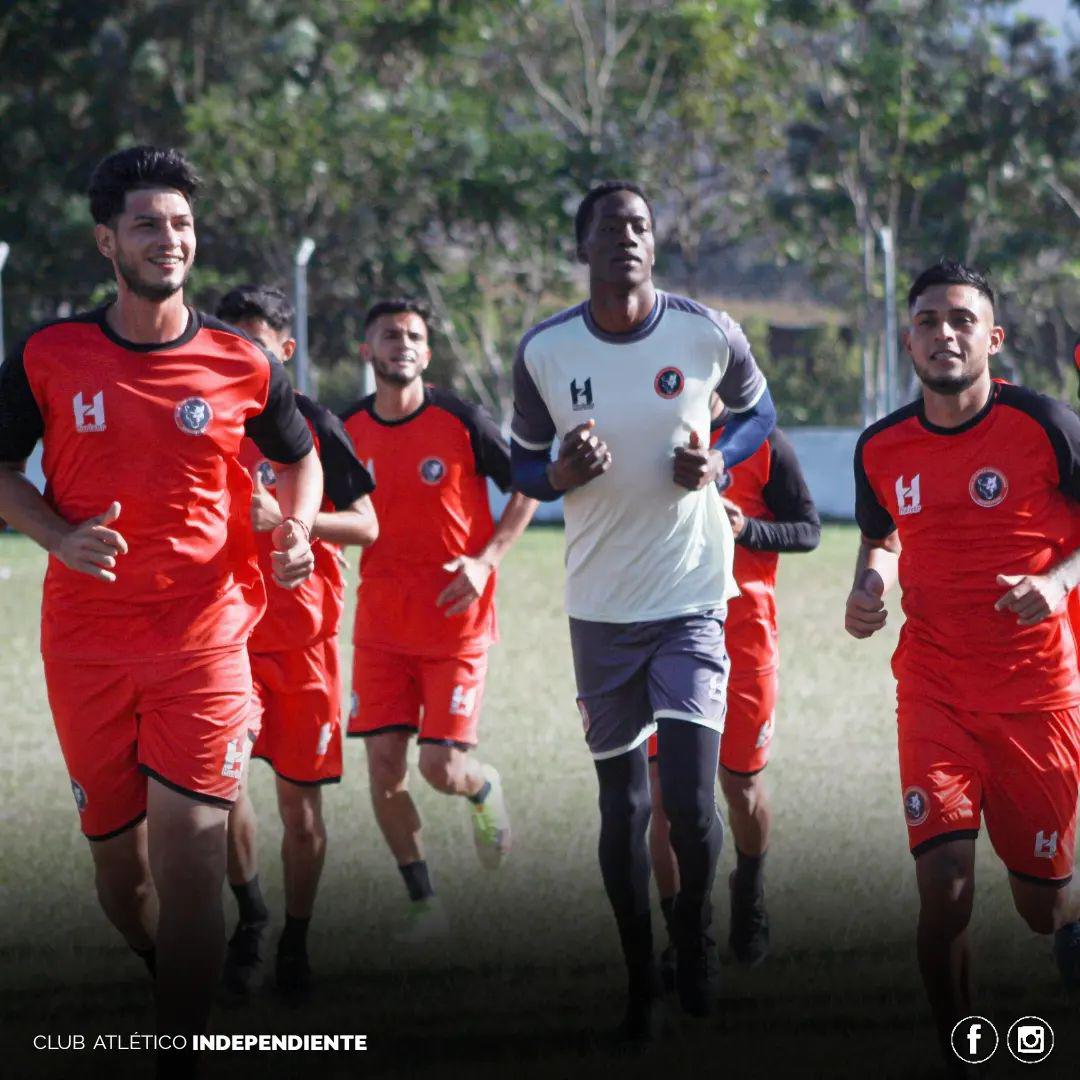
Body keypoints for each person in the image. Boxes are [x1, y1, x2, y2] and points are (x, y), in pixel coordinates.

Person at [0, 147, 322, 1067]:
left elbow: (299, 455)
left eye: (180, 223)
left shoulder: (242, 362)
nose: (168, 239)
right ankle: (166, 975)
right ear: (108, 241)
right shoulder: (47, 356)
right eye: (147, 223)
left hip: (206, 641)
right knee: (121, 876)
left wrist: (293, 531)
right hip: (87, 647)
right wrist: (56, 536)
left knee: (191, 856)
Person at [510, 180, 776, 1037]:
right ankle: (639, 982)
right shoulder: (544, 351)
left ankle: (693, 932)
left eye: (641, 226)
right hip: (599, 610)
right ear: (581, 247)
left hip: (693, 595)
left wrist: (720, 460)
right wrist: (556, 476)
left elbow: (758, 410)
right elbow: (518, 466)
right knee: (622, 809)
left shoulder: (705, 331)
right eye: (610, 227)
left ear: (654, 245)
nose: (628, 237)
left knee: (692, 809)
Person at [846, 260, 1080, 1067]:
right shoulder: (880, 446)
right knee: (944, 890)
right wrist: (867, 586)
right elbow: (879, 536)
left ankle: (1067, 928)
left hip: (1036, 694)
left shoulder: (1047, 424)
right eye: (928, 321)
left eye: (961, 320)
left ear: (993, 337)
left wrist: (1055, 583)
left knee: (1041, 904)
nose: (944, 334)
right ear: (907, 336)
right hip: (934, 689)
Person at [341, 298, 537, 940]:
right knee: (383, 771)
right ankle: (424, 903)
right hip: (379, 629)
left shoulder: (460, 419)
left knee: (440, 770)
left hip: (457, 623)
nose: (402, 343)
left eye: (414, 336)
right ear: (367, 351)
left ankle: (482, 789)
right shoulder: (345, 431)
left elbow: (528, 484)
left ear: (427, 354)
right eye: (389, 335)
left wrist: (486, 561)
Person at [214, 284, 377, 996]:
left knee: (300, 812)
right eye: (231, 339)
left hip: (304, 643)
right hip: (221, 639)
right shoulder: (205, 418)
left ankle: (296, 942)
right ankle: (251, 918)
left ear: (284, 350)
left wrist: (289, 521)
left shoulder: (312, 423)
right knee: (217, 793)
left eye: (256, 342)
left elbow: (367, 525)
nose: (242, 354)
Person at [648, 409, 820, 976]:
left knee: (741, 787)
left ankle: (749, 885)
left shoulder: (763, 440)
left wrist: (746, 528)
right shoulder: (645, 427)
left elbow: (808, 529)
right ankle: (684, 935)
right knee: (664, 796)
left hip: (742, 641)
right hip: (659, 634)